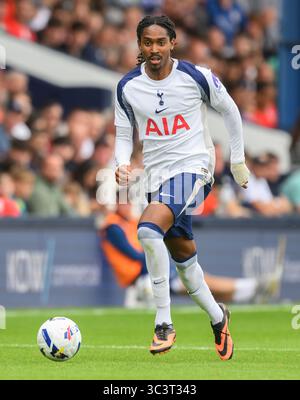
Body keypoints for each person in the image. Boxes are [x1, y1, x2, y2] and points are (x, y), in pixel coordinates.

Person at [114, 15, 250, 360]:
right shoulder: (128, 87)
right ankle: (219, 318)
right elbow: (122, 134)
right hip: (156, 178)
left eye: (161, 42)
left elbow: (230, 110)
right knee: (185, 262)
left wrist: (237, 161)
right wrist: (121, 163)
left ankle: (163, 322)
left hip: (195, 169)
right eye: (148, 42)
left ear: (173, 43)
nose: (154, 48)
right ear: (140, 46)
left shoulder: (196, 76)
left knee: (147, 230)